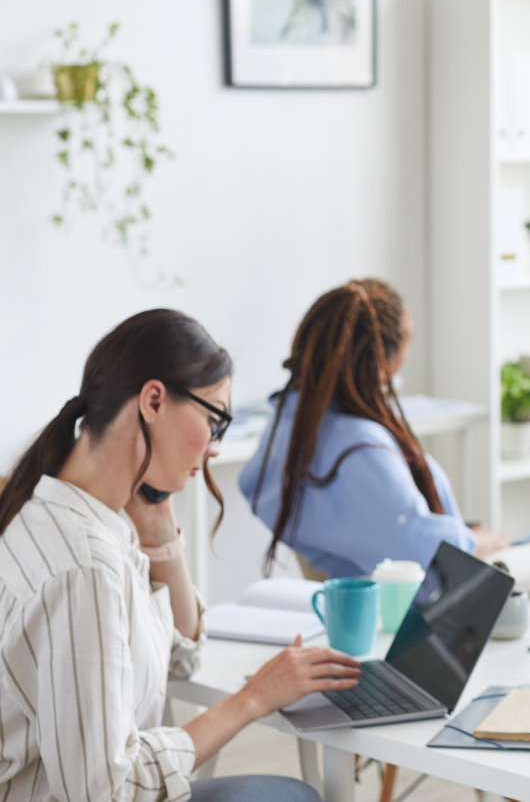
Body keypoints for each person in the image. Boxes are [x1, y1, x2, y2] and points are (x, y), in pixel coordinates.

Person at [0, 310, 360, 801]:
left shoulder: (77, 519)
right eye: (213, 420)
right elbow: (103, 792)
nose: (214, 448)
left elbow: (179, 655)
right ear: (152, 401)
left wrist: (160, 534)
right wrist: (254, 698)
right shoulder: (84, 567)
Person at [241, 279, 511, 576]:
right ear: (386, 361)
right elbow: (421, 554)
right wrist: (481, 540)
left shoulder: (290, 420)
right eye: (408, 341)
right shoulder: (363, 451)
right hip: (407, 608)